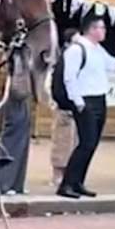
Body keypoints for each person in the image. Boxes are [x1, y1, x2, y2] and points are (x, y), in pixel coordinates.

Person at [58, 15, 115, 199]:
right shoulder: (77, 49)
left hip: (99, 98)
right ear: (91, 29)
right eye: (101, 28)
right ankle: (66, 183)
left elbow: (114, 66)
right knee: (86, 143)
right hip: (85, 99)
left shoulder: (98, 49)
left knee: (92, 144)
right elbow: (69, 77)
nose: (104, 31)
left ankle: (78, 182)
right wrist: (78, 102)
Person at [49, 29, 79, 186]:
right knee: (61, 142)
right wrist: (62, 103)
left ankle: (69, 175)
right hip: (64, 107)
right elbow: (58, 85)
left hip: (75, 107)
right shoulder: (63, 60)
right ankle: (57, 175)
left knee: (73, 143)